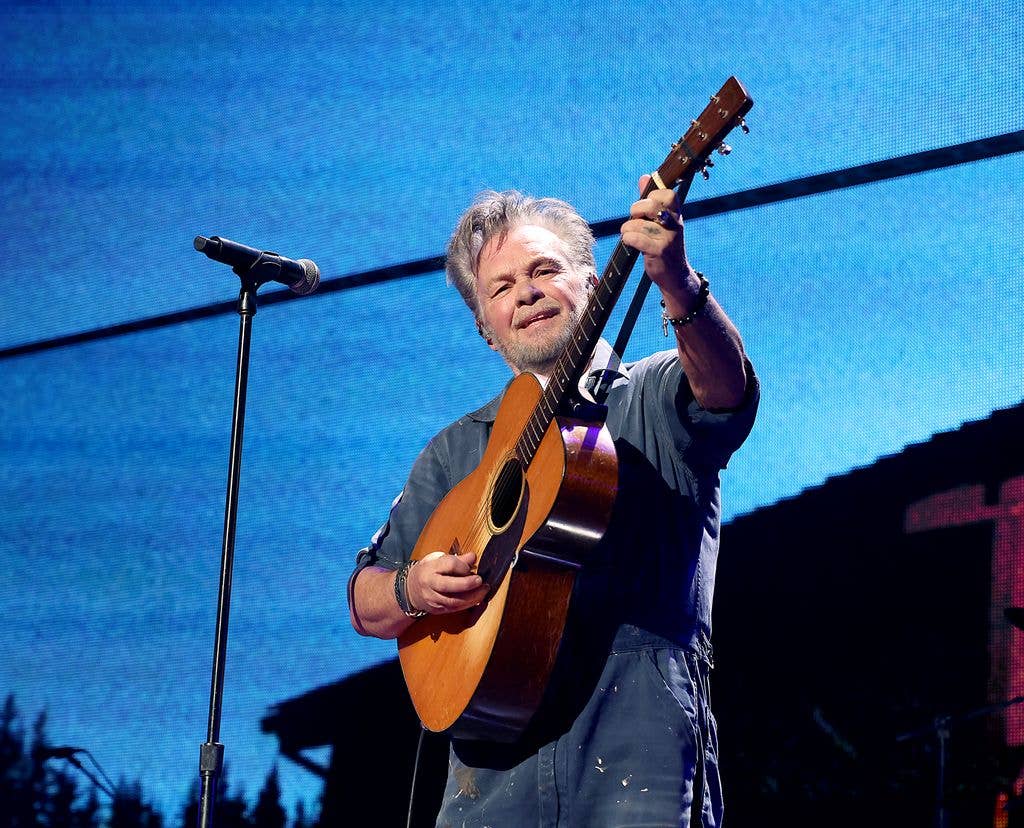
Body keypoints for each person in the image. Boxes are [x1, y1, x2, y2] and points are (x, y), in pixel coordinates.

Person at [348, 178, 758, 827]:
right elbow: (365, 597)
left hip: (636, 763)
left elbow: (726, 388)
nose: (527, 294)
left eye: (544, 271)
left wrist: (677, 283)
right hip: (488, 784)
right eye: (501, 288)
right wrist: (414, 587)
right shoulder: (457, 451)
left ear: (592, 284)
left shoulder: (652, 392)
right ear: (486, 328)